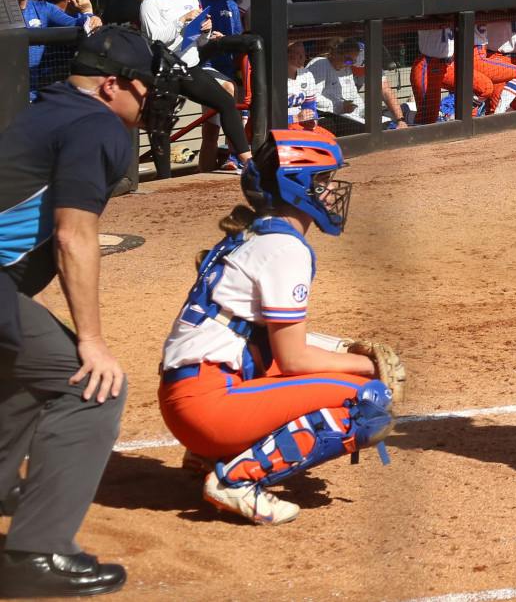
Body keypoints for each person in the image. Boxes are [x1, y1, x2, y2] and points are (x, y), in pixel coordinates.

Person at [156, 131, 402, 526]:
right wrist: (366, 368)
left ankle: (210, 455)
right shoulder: (285, 249)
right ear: (297, 186)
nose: (329, 191)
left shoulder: (252, 234)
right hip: (208, 407)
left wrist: (344, 350)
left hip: (191, 397)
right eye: (321, 182)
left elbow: (265, 336)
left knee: (326, 370)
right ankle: (237, 480)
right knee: (368, 400)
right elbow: (292, 358)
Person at [0, 27, 151, 597]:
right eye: (142, 88)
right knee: (92, 389)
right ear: (112, 85)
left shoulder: (47, 110)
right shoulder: (96, 125)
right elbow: (74, 235)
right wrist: (92, 339)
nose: (146, 100)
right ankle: (37, 555)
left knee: (19, 368)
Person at [137, 0, 255, 172]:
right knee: (161, 126)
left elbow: (198, 41)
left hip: (189, 65)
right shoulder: (151, 2)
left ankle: (247, 160)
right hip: (163, 69)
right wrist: (182, 20)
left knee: (227, 102)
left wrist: (206, 31)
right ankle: (164, 179)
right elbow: (156, 38)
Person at [8, 0, 103, 97]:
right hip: (8, 87)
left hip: (38, 91)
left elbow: (77, 24)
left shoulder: (43, 9)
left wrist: (88, 13)